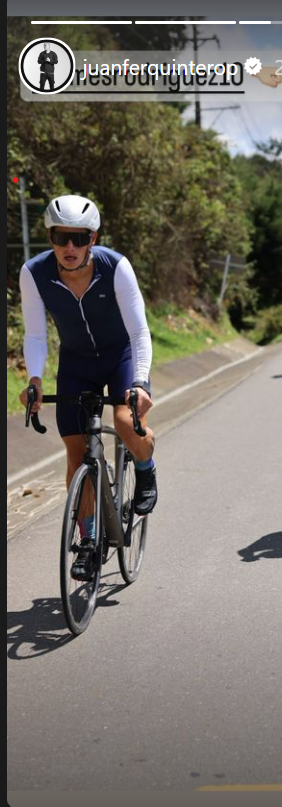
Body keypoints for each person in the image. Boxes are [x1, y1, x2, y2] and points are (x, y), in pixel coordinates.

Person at [19, 195, 157, 578]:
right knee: (76, 453)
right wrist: (34, 379)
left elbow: (139, 329)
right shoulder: (34, 272)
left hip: (121, 355)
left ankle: (145, 467)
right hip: (76, 363)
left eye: (79, 238)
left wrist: (141, 382)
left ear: (92, 238)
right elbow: (35, 334)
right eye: (61, 237)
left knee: (128, 423)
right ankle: (87, 541)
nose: (69, 247)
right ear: (50, 236)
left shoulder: (116, 267)